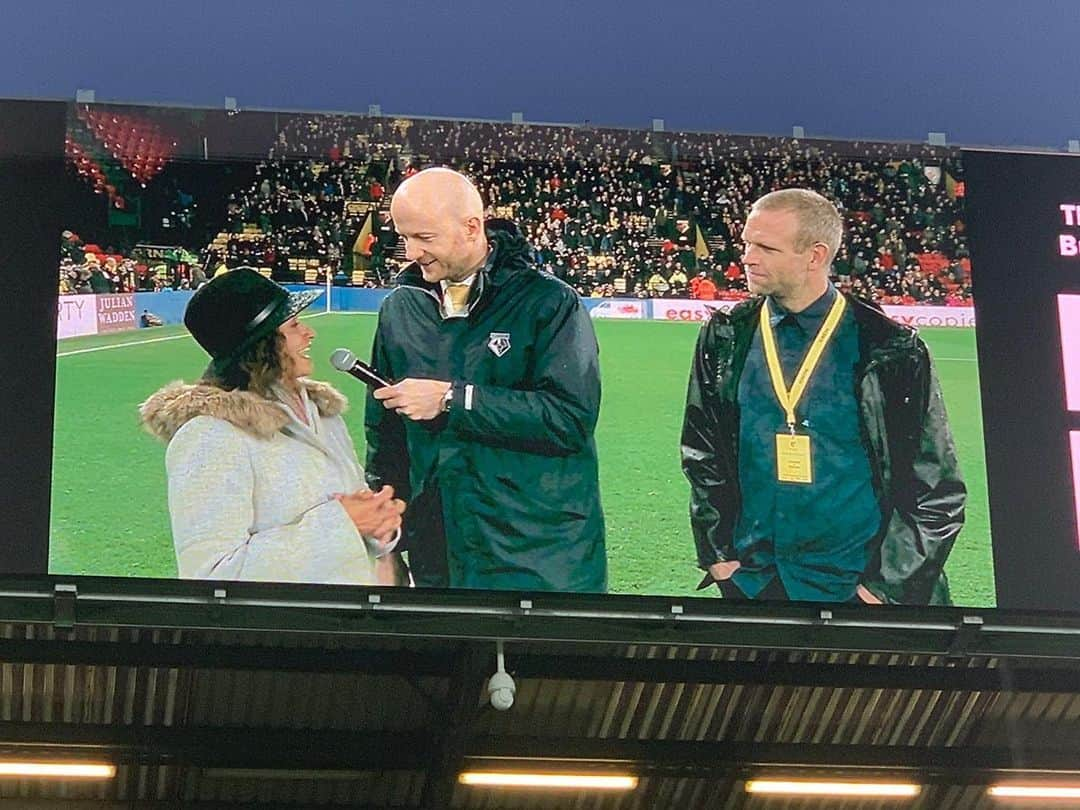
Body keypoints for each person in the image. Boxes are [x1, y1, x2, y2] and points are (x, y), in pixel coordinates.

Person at [681, 189, 965, 605]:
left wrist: (882, 589)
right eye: (746, 243)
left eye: (765, 247)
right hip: (755, 584)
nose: (746, 256)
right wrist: (720, 557)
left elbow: (936, 487)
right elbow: (702, 454)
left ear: (814, 256)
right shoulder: (725, 336)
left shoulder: (889, 347)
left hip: (855, 590)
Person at [364, 167, 607, 591]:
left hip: (538, 553)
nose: (409, 253)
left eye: (424, 238)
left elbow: (570, 418)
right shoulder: (400, 309)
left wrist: (454, 400)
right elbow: (384, 433)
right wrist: (385, 537)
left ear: (472, 227)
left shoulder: (547, 302)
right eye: (403, 238)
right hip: (437, 549)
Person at [140, 267, 405, 585]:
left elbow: (353, 522)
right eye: (293, 326)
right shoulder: (209, 436)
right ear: (262, 345)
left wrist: (378, 524)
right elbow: (210, 577)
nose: (310, 333)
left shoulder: (322, 413)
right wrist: (343, 523)